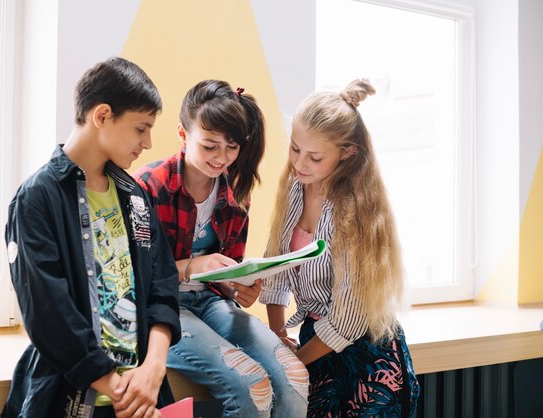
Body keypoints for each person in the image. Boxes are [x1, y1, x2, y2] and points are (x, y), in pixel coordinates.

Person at [2, 57, 181, 418]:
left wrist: (153, 371)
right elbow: (48, 314)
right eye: (140, 128)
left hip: (145, 394)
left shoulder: (135, 194)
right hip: (74, 399)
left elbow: (163, 285)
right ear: (102, 116)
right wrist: (121, 391)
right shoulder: (37, 198)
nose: (147, 143)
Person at [133, 79, 309, 418]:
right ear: (183, 135)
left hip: (210, 303)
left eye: (231, 147)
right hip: (160, 310)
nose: (221, 158)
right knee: (252, 385)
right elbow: (132, 280)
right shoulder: (149, 186)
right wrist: (190, 267)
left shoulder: (236, 193)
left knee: (295, 375)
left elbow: (227, 273)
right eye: (210, 146)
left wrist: (239, 286)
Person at [260, 79, 420, 417]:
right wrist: (277, 335)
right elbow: (274, 265)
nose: (300, 164)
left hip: (366, 358)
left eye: (315, 157)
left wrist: (290, 362)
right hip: (315, 345)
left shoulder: (353, 209)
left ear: (346, 153)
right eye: (294, 148)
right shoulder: (294, 186)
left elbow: (348, 319)